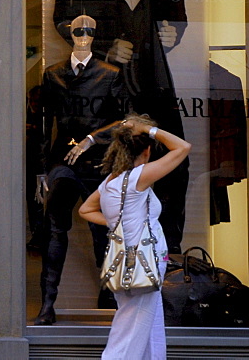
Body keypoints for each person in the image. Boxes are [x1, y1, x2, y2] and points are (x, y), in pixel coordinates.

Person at [53, 0, 189, 254]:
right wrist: (101, 45)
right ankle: (111, 265)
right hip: (103, 83)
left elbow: (177, 19)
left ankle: (167, 255)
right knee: (103, 163)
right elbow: (63, 18)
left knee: (169, 163)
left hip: (153, 76)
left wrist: (172, 33)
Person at [34, 14, 128, 325]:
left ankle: (110, 294)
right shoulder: (53, 75)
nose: (84, 35)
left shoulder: (110, 74)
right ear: (70, 34)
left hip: (97, 164)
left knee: (103, 231)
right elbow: (44, 124)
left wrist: (91, 139)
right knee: (54, 232)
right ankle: (47, 304)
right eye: (78, 30)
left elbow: (125, 121)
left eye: (89, 30)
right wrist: (40, 170)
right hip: (63, 164)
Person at [79, 114, 192, 359]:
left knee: (146, 324)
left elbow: (85, 210)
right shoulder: (138, 178)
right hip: (143, 262)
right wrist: (150, 130)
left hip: (125, 262)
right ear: (147, 151)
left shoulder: (111, 182)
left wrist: (114, 222)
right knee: (132, 328)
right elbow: (183, 147)